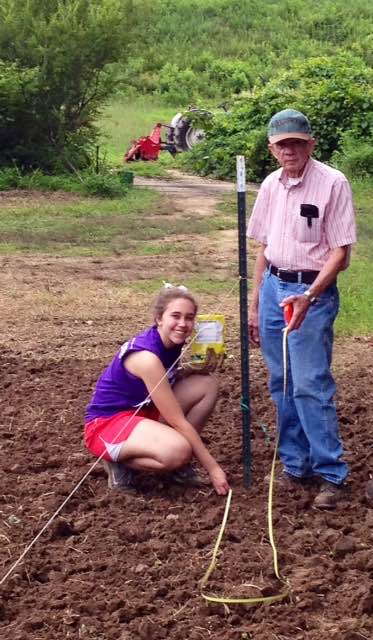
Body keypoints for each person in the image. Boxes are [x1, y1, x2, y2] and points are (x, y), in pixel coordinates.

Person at [247, 108, 356, 509]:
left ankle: (331, 474)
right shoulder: (271, 186)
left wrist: (309, 297)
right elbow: (263, 248)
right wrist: (256, 304)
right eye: (281, 144)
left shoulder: (332, 183)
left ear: (310, 144)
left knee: (310, 383)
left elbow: (340, 253)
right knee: (281, 381)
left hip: (312, 292)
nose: (289, 150)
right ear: (272, 149)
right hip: (275, 285)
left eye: (296, 142)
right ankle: (296, 464)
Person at [84, 286, 229, 496]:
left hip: (141, 412)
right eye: (176, 316)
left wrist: (189, 369)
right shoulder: (147, 358)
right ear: (159, 318)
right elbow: (178, 420)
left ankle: (172, 463)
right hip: (107, 424)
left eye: (189, 318)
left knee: (207, 384)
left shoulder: (169, 343)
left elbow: (164, 380)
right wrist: (213, 468)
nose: (183, 324)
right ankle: (118, 462)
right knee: (179, 451)